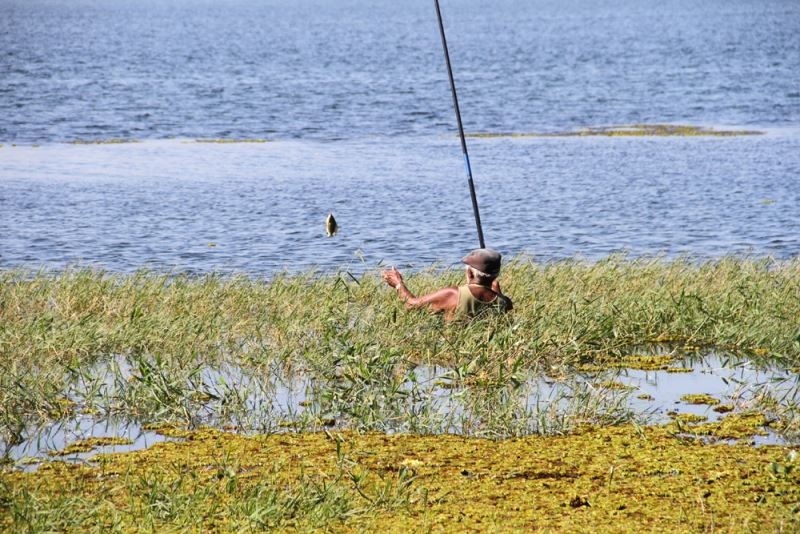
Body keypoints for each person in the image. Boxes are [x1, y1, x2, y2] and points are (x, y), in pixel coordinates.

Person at [382, 248, 513, 320]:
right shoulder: (504, 302)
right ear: (495, 275)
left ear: (471, 274)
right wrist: (497, 292)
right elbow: (503, 302)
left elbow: (411, 305)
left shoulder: (453, 294)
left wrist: (398, 284)